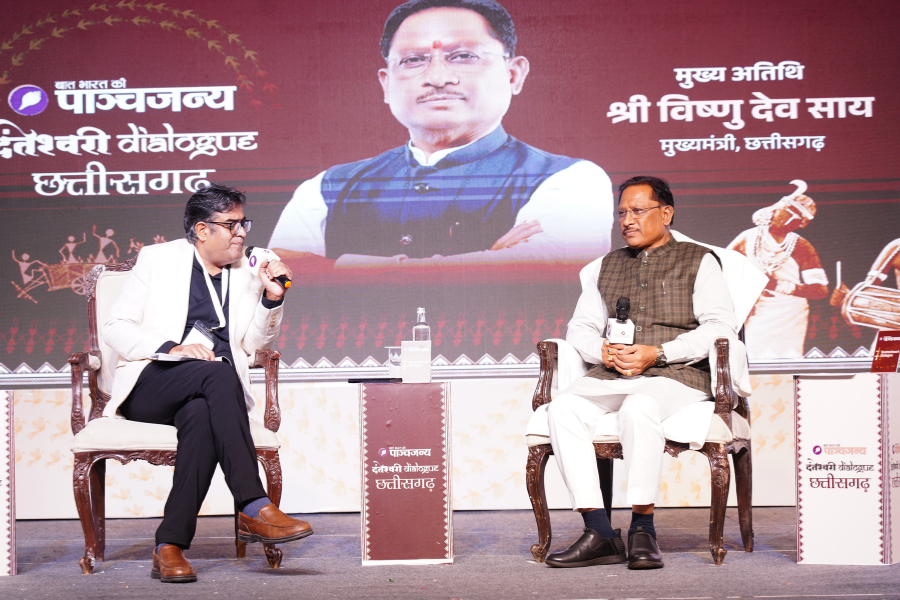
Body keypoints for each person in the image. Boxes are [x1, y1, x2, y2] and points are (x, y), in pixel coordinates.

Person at [268, 0, 612, 270]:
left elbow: (546, 274)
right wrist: (487, 261)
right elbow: (277, 280)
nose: (437, 77)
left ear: (513, 75)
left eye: (463, 56)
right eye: (413, 60)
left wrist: (334, 267)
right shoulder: (327, 189)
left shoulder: (570, 180)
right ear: (386, 84)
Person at [103, 184, 312, 584]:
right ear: (202, 230)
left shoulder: (250, 270)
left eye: (244, 223)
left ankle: (169, 546)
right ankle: (253, 505)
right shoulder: (158, 260)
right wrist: (172, 348)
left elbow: (254, 345)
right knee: (218, 371)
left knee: (200, 415)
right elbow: (116, 327)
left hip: (210, 393)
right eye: (231, 225)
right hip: (154, 381)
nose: (241, 233)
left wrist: (272, 298)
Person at [545, 176, 738, 570]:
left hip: (678, 376)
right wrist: (600, 350)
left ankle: (642, 528)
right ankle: (598, 531)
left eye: (637, 211)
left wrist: (659, 353)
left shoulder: (699, 260)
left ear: (665, 213)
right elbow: (580, 328)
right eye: (621, 213)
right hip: (612, 374)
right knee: (561, 409)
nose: (627, 220)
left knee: (639, 405)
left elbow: (720, 328)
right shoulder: (607, 265)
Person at [727, 190, 828, 359]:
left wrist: (778, 285)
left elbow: (820, 290)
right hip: (757, 309)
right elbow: (720, 266)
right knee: (753, 355)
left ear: (801, 223)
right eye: (785, 211)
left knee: (786, 359)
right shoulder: (748, 238)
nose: (787, 219)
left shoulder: (800, 245)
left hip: (789, 313)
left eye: (796, 218)